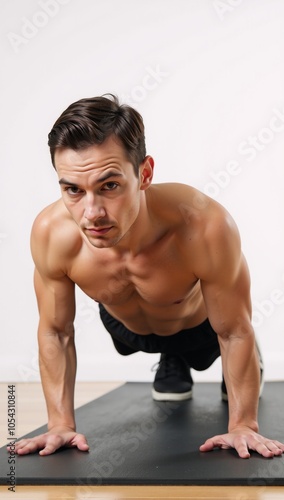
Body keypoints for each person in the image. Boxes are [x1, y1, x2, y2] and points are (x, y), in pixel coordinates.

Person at [14, 94, 284, 459]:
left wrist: (243, 425)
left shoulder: (204, 226)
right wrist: (60, 423)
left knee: (231, 345)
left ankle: (216, 361)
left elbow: (233, 330)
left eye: (109, 186)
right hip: (127, 328)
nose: (91, 213)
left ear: (144, 174)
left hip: (202, 328)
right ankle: (170, 359)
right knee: (166, 379)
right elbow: (56, 331)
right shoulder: (52, 234)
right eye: (73, 190)